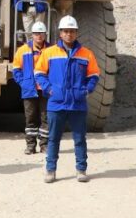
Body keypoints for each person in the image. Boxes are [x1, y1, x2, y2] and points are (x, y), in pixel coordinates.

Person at [35, 15, 100, 183]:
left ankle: (81, 170)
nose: (69, 34)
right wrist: (50, 90)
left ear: (76, 33)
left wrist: (86, 90)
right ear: (60, 33)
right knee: (53, 139)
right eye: (65, 31)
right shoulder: (49, 53)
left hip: (78, 104)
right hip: (56, 104)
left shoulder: (86, 54)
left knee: (79, 139)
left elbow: (93, 75)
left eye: (72, 31)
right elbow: (39, 74)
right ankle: (50, 171)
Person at [12, 21, 49, 154]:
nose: (39, 36)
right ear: (32, 35)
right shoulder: (23, 50)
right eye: (36, 33)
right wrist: (24, 83)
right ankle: (30, 145)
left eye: (41, 33)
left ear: (45, 34)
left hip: (45, 89)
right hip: (30, 90)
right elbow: (16, 70)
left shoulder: (51, 50)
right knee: (31, 118)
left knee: (46, 118)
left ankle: (44, 145)